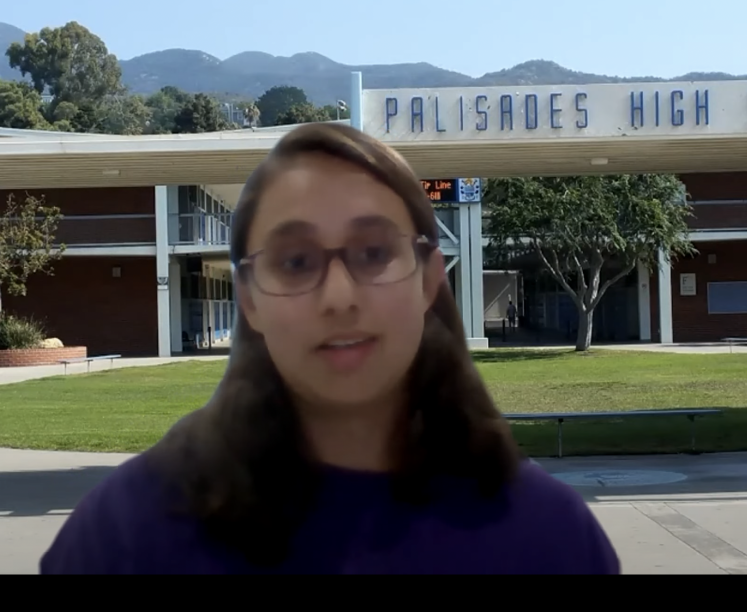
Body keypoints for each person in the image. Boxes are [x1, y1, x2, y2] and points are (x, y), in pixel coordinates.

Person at [40, 122, 620, 575]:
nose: (339, 297)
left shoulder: (552, 537)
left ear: (428, 280)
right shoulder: (126, 533)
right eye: (296, 261)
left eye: (374, 253)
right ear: (249, 298)